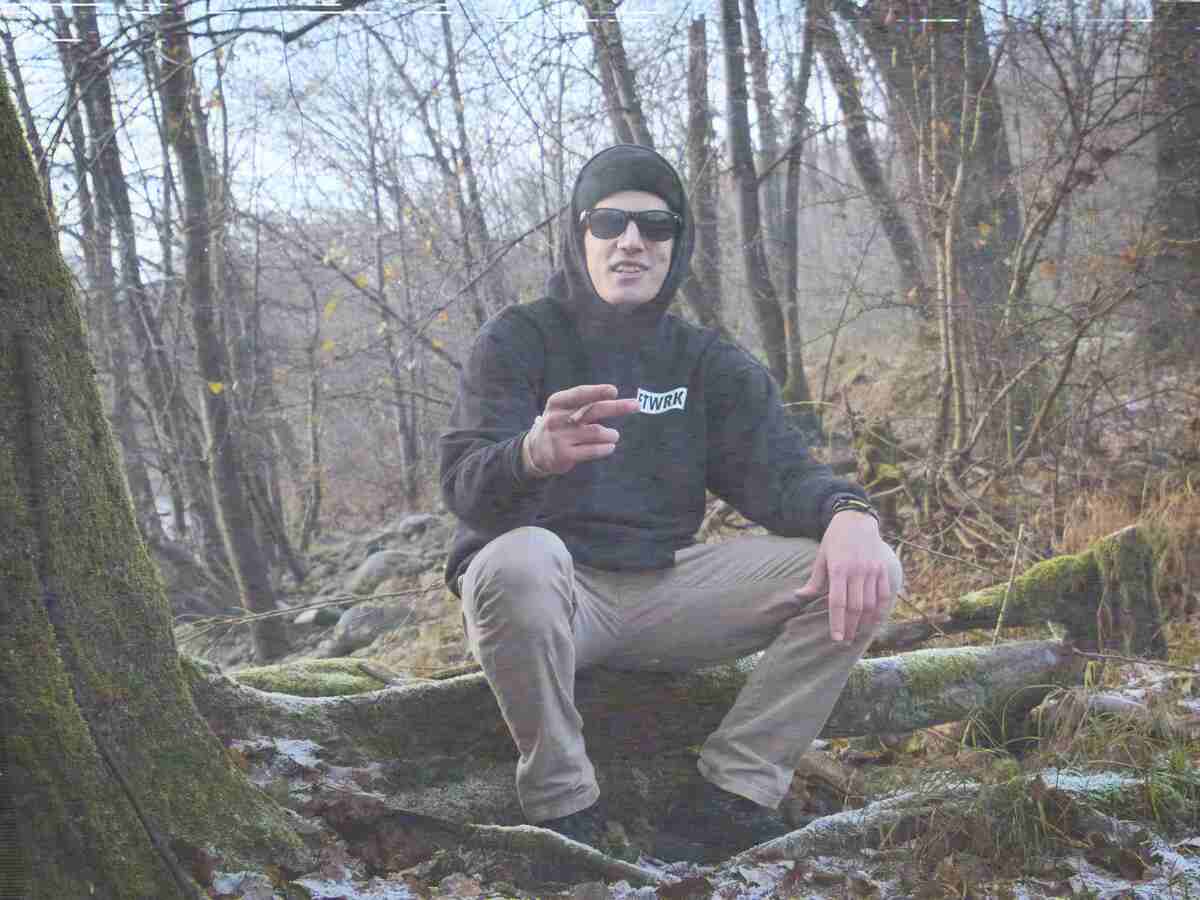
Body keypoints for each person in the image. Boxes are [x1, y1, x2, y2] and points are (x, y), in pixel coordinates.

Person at [439, 144, 902, 861]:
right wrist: (529, 456)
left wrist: (849, 512)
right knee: (519, 560)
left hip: (665, 590)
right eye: (609, 223)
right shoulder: (518, 340)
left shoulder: (706, 362)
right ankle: (564, 808)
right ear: (579, 235)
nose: (631, 241)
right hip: (553, 602)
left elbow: (781, 476)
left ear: (676, 245)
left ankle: (731, 795)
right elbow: (463, 484)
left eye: (655, 226)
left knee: (870, 567)